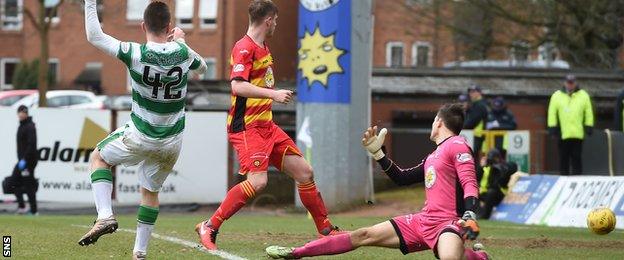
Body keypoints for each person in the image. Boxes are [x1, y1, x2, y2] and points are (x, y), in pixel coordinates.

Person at [195, 0, 342, 250]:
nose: (276, 24)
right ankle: (210, 225)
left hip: (267, 127)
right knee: (258, 182)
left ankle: (326, 231)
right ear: (269, 20)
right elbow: (237, 86)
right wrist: (273, 95)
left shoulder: (264, 46)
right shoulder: (244, 47)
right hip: (247, 128)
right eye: (276, 20)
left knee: (305, 172)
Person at [265, 104, 489, 260]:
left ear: (439, 122)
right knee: (363, 235)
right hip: (422, 222)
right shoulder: (434, 156)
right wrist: (379, 155)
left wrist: (469, 214)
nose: (432, 124)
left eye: (433, 121)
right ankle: (296, 252)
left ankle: (477, 256)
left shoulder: (457, 145)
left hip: (448, 223)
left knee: (450, 257)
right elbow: (401, 178)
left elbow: (470, 181)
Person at [78, 1, 207, 259]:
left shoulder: (135, 53)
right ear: (169, 26)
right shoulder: (183, 53)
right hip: (171, 141)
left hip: (140, 135)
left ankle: (104, 216)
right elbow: (202, 69)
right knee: (150, 192)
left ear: (142, 26)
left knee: (99, 157)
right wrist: (182, 42)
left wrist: (90, 2)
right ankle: (139, 252)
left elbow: (95, 35)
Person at [547, 74, 593, 175]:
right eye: (568, 83)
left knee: (577, 158)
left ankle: (577, 178)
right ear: (564, 83)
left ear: (576, 83)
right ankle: (564, 178)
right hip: (563, 133)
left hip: (577, 133)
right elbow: (552, 112)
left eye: (572, 83)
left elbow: (588, 111)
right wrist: (552, 127)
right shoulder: (557, 96)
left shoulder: (583, 95)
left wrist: (589, 125)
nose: (570, 85)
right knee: (564, 158)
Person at [477, 149, 517, 219]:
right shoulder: (486, 167)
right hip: (485, 193)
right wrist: (481, 167)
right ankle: (477, 213)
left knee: (491, 192)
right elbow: (476, 178)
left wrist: (500, 166)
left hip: (499, 193)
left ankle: (485, 215)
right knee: (471, 193)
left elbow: (513, 167)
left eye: (494, 158)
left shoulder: (503, 166)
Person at [13, 105, 38, 215]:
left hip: (28, 161)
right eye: (20, 112)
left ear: (26, 114)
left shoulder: (30, 126)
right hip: (22, 161)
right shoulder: (21, 126)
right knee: (14, 182)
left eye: (23, 112)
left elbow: (31, 145)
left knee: (28, 185)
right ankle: (23, 206)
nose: (21, 114)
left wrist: (24, 160)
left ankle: (33, 210)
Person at [463, 85, 489, 160]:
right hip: (478, 135)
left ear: (479, 93)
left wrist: (461, 127)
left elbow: (472, 121)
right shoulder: (479, 104)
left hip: (478, 135)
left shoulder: (479, 105)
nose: (471, 94)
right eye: (470, 92)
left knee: (473, 157)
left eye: (474, 92)